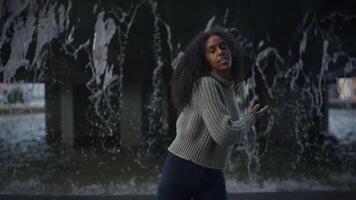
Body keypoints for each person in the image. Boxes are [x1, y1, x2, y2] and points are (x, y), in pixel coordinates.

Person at [157, 27, 268, 200]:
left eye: (224, 47)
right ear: (205, 59)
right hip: (182, 169)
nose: (220, 52)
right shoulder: (206, 84)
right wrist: (250, 118)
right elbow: (224, 134)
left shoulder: (228, 88)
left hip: (212, 173)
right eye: (212, 50)